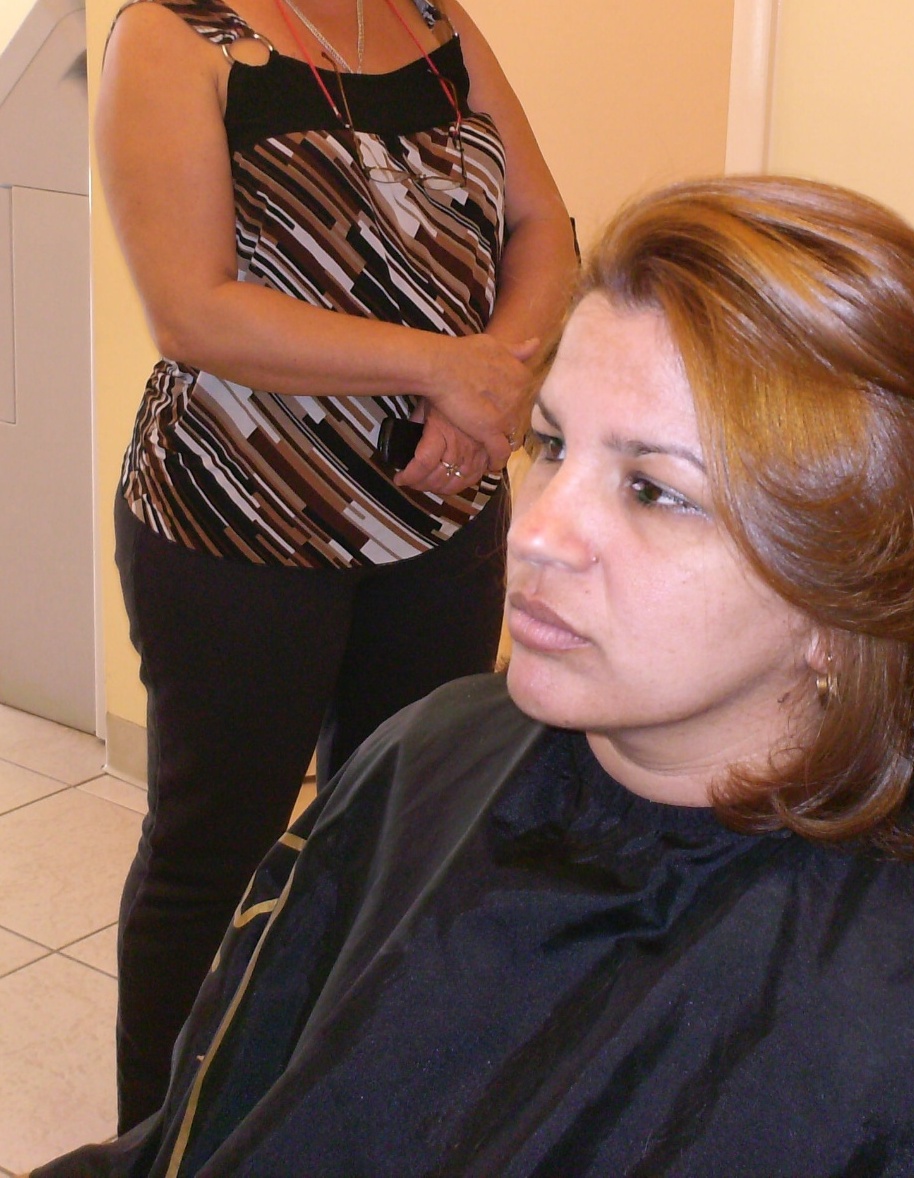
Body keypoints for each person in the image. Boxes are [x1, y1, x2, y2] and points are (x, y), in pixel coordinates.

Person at [38, 177, 914, 1175]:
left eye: (655, 490)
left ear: (856, 588)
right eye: (551, 445)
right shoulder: (426, 756)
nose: (537, 530)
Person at [96, 0, 576, 1130]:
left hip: (439, 520)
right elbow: (193, 311)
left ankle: (339, 1113)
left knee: (403, 839)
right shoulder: (173, 34)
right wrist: (443, 368)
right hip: (239, 520)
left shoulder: (434, 20)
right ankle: (162, 1141)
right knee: (213, 856)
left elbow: (542, 225)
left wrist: (494, 377)